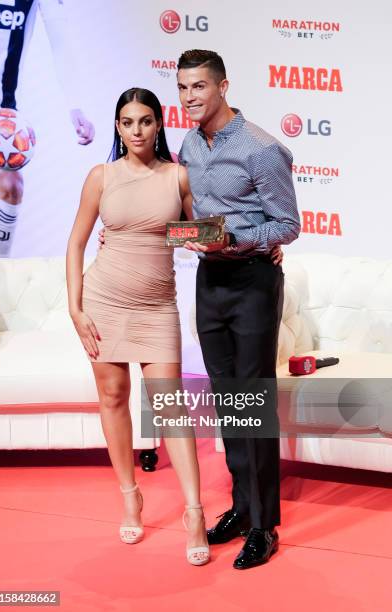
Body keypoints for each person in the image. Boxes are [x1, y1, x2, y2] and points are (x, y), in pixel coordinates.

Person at [66, 87, 210, 566]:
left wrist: (164, 232)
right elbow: (76, 244)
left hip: (156, 307)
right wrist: (75, 308)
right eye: (127, 123)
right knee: (113, 398)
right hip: (103, 300)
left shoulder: (178, 176)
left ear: (158, 125)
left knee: (170, 407)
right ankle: (130, 496)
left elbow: (206, 233)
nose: (136, 131)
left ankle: (194, 511)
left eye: (145, 121)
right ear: (117, 127)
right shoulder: (100, 176)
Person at [177, 49, 301, 570]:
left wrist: (241, 240)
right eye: (183, 88)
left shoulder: (261, 148)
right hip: (211, 282)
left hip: (252, 281)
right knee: (228, 401)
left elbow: (288, 225)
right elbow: (191, 215)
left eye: (199, 87)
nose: (189, 98)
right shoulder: (188, 143)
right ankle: (241, 508)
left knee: (254, 401)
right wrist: (194, 236)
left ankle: (265, 526)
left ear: (223, 86)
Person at [0, 0, 95, 257]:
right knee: (11, 184)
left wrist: (75, 105)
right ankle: (3, 274)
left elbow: (60, 38)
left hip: (2, 121)